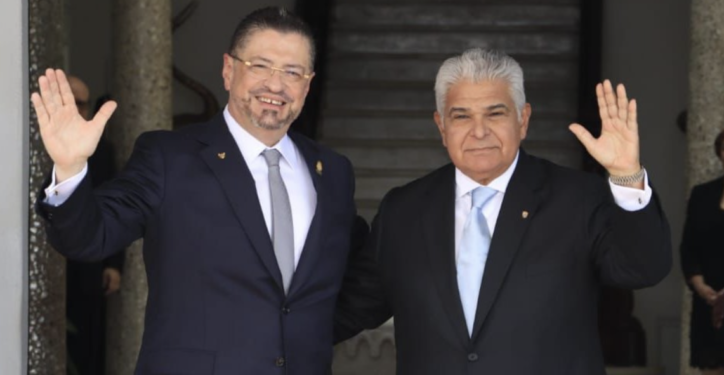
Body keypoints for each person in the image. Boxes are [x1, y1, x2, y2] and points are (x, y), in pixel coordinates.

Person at [32, 7, 357, 375]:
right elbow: (88, 236)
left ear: (308, 85)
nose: (276, 84)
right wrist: (70, 167)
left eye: (292, 72)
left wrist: (305, 333)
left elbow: (350, 278)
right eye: (260, 65)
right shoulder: (168, 158)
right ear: (228, 70)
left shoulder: (332, 172)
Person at [334, 48, 672, 374]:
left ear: (523, 120)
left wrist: (626, 174)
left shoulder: (577, 198)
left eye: (495, 114)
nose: (479, 131)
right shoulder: (403, 210)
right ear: (441, 127)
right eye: (461, 116)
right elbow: (350, 309)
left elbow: (641, 270)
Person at [64, 75, 124, 375]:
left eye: (81, 103)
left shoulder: (102, 151)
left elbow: (114, 209)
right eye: (69, 102)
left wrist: (114, 264)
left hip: (88, 265)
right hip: (42, 260)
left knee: (87, 347)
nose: (75, 108)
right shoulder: (32, 143)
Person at [681, 125, 724, 374]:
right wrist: (701, 287)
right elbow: (688, 247)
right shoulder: (702, 194)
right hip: (707, 298)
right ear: (719, 153)